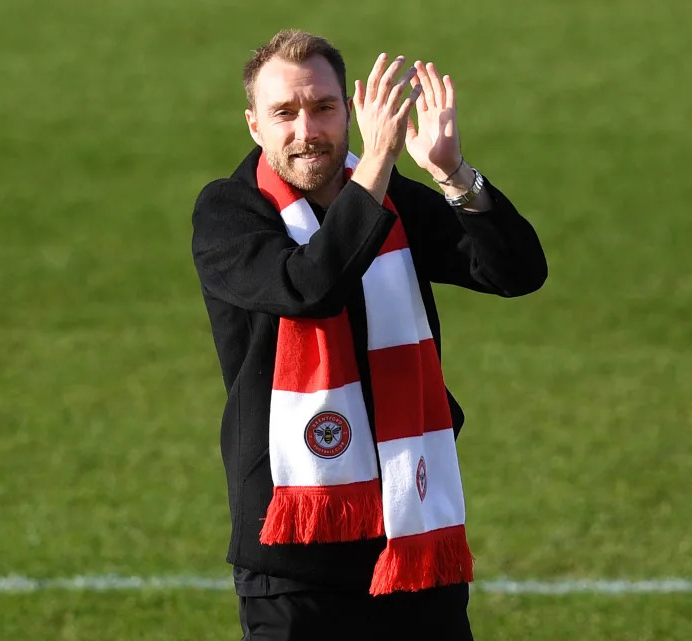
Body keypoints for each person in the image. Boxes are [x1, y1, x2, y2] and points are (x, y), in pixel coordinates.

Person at [191, 29, 546, 641]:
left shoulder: (393, 200)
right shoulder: (228, 213)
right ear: (254, 125)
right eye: (285, 113)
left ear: (348, 111)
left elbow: (515, 273)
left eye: (324, 108)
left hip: (407, 533)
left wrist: (453, 173)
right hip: (294, 553)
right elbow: (308, 287)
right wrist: (379, 163)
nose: (308, 131)